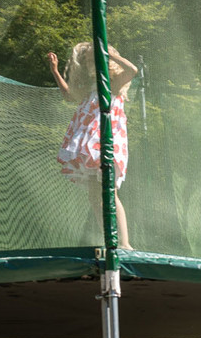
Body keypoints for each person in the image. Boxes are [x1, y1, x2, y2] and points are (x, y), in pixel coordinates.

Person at [50, 42, 138, 249]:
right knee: (94, 195)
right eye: (88, 59)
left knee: (109, 191)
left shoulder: (113, 83)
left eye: (93, 58)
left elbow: (132, 70)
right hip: (90, 145)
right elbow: (69, 95)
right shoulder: (93, 88)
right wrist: (55, 71)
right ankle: (111, 240)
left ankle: (125, 243)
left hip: (104, 142)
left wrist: (107, 54)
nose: (90, 62)